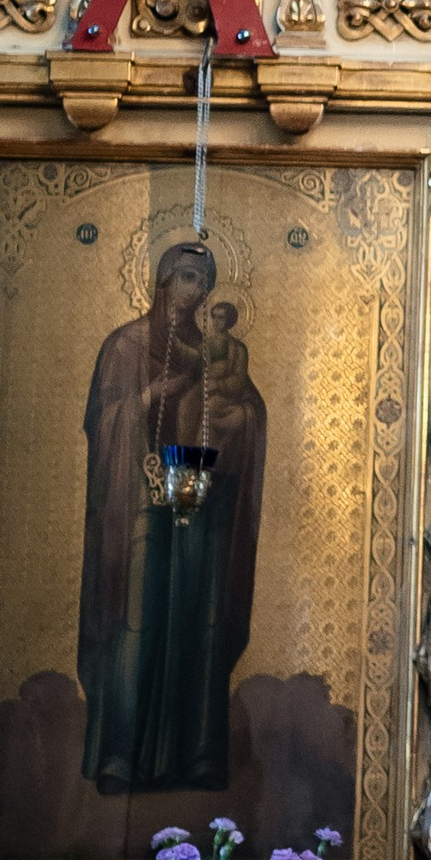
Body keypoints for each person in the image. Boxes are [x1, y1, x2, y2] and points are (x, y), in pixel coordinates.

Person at [78, 243, 268, 796]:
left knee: (197, 619)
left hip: (198, 490)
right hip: (139, 493)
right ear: (162, 284)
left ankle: (199, 756)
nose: (196, 292)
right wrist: (143, 399)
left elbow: (251, 416)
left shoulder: (218, 351)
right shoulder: (126, 345)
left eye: (204, 282)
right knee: (138, 619)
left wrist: (236, 423)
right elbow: (103, 420)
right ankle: (119, 755)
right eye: (186, 278)